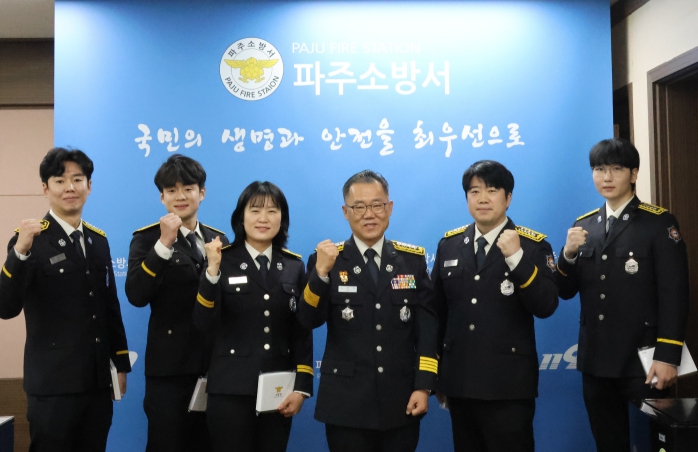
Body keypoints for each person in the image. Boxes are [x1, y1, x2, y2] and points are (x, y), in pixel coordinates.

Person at [556, 138, 689, 452]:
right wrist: (568, 254)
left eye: (616, 169)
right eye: (599, 169)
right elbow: (564, 291)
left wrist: (668, 356)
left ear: (633, 173)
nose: (607, 177)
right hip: (596, 359)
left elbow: (675, 293)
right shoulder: (584, 225)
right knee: (608, 443)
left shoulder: (659, 223)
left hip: (645, 359)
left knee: (657, 443)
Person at [297, 170, 439, 452]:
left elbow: (427, 329)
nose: (369, 214)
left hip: (401, 399)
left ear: (390, 207)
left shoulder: (412, 261)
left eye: (377, 205)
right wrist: (320, 273)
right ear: (345, 212)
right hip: (345, 403)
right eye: (359, 207)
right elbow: (307, 320)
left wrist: (423, 386)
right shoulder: (327, 259)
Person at [0, 147, 131, 452]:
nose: (70, 188)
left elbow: (109, 308)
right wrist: (19, 253)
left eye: (77, 179)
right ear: (45, 188)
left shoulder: (98, 240)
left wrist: (120, 363)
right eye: (60, 181)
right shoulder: (30, 239)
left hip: (97, 382)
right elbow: (6, 307)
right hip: (52, 386)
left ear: (89, 186)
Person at [432, 160, 558, 452]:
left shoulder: (532, 245)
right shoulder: (449, 245)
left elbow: (546, 305)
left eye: (492, 190)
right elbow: (437, 313)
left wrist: (516, 258)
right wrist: (437, 373)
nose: (483, 198)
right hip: (460, 383)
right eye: (475, 191)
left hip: (508, 386)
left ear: (508, 198)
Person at [194, 181, 313, 452]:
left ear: (282, 219)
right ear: (241, 217)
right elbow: (203, 322)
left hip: (278, 392)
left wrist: (301, 387)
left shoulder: (293, 266)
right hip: (229, 390)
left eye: (272, 211)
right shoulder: (220, 260)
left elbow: (301, 330)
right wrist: (211, 272)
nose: (263, 218)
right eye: (255, 210)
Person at [125, 154, 227, 452]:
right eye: (171, 190)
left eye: (188, 189)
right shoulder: (147, 239)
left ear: (202, 193)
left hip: (214, 366)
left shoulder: (219, 239)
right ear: (162, 197)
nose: (180, 196)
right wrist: (163, 244)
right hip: (169, 370)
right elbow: (136, 295)